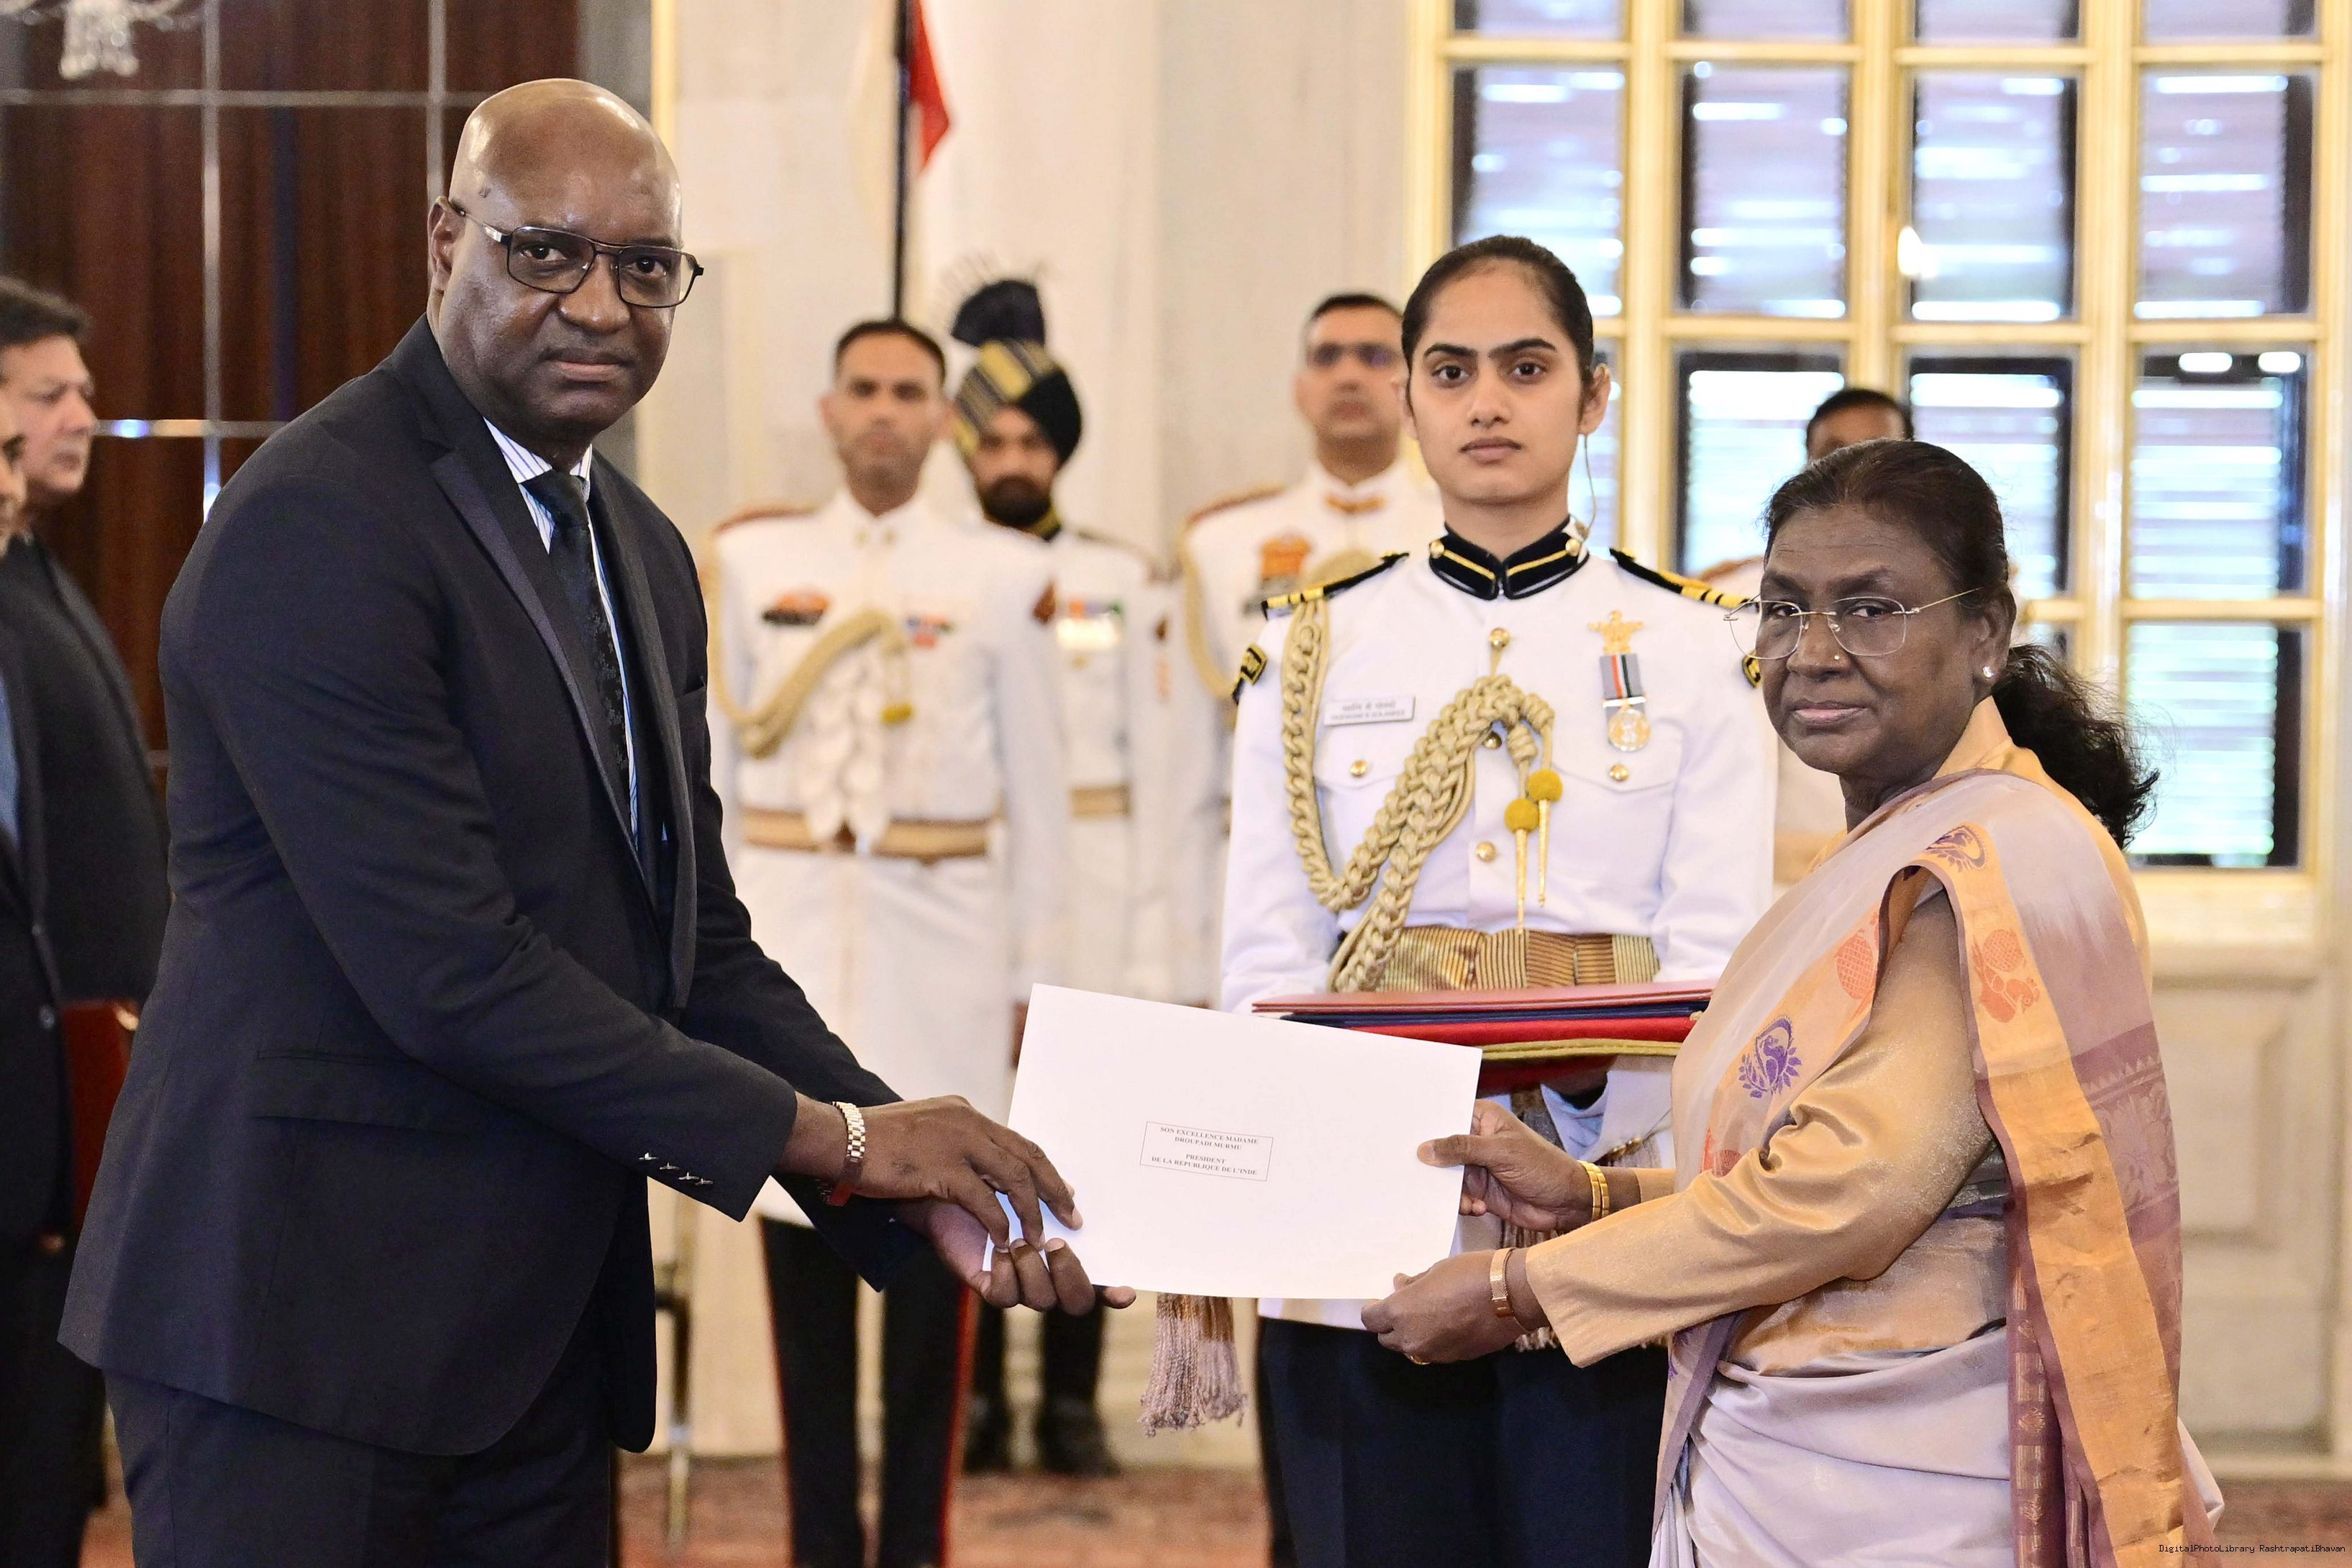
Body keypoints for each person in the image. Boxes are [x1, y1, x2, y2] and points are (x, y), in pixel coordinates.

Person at [63, 81, 1121, 1568]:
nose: (601, 304)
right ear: (446, 242)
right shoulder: (319, 520)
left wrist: (908, 1179)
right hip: (301, 1327)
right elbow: (453, 971)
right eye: (547, 252)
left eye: (646, 265)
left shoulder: (640, 549)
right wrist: (844, 1139)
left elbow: (692, 945)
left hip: (536, 1341)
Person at [1372, 438, 2223, 1565]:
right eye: (1782, 610)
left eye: (1869, 611)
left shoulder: (1985, 861)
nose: (1812, 654)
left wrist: (1514, 1289)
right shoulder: (1908, 837)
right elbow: (1826, 1167)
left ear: (1984, 632)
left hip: (1903, 1496)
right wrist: (1594, 1196)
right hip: (1811, 1462)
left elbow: (1852, 1193)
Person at [1221, 235, 1776, 1568]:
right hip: (1366, 1199)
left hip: (1603, 1204)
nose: (1486, 403)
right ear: (1407, 397)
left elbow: (1717, 960)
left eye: (1526, 369)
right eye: (1451, 370)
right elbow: (1265, 951)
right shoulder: (1307, 645)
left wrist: (1588, 1142)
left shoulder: (1698, 648)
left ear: (1592, 396)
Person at [707, 315, 1072, 1568]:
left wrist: (1036, 984)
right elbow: (714, 776)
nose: (882, 411)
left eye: (908, 391)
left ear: (941, 421)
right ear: (829, 409)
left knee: (937, 1270)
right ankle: (820, 1545)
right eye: (862, 387)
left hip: (944, 957)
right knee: (800, 1268)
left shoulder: (1001, 576)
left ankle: (916, 1545)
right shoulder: (751, 561)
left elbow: (1042, 793)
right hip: (789, 948)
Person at [947, 280, 1167, 1477]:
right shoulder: (945, 577)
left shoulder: (1119, 579)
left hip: (1097, 877)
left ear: (1061, 455)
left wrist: (1153, 938)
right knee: (973, 1141)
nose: (1013, 462)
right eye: (995, 442)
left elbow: (1159, 755)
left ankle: (1070, 1405)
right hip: (978, 884)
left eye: (1033, 443)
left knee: (1086, 1150)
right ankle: (977, 1397)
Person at [0, 274, 168, 1568]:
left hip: (68, 1111)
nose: (82, 418)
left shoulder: (41, 575)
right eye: (51, 393)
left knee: (47, 1476)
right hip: (20, 1108)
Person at [1170, 291, 1446, 1005]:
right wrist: (1175, 957)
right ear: (1300, 388)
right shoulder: (1223, 544)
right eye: (1328, 357)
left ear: (1414, 387)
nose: (1349, 375)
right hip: (1265, 867)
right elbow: (1185, 769)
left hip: (1427, 884)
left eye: (1375, 357)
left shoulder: (1459, 534)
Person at [1698, 385, 1914, 890]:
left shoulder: (1952, 599)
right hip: (1778, 885)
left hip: (1923, 870)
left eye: (1877, 454)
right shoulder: (1738, 598)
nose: (1856, 472)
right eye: (1836, 455)